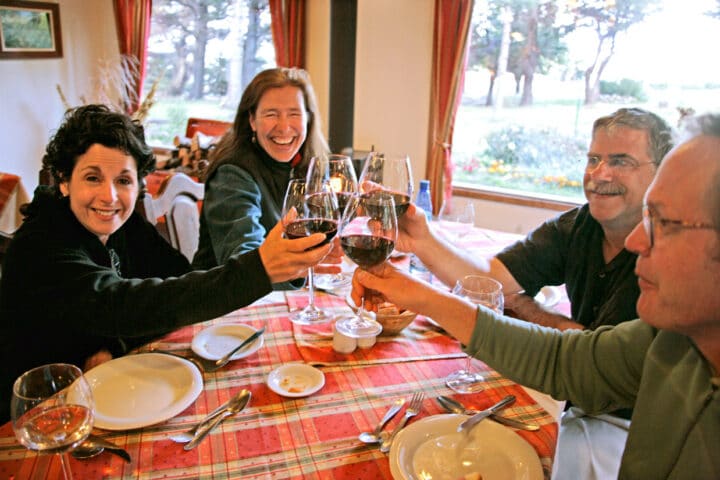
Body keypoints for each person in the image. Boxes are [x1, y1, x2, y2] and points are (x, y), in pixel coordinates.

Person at [353, 112, 720, 478]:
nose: (638, 241)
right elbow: (564, 359)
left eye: (664, 222)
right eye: (593, 159)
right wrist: (421, 252)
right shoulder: (671, 341)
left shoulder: (671, 324)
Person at [0, 104, 340, 422]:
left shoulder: (123, 222)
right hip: (39, 417)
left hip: (109, 394)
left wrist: (109, 343)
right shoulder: (40, 248)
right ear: (63, 181)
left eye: (123, 180)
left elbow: (177, 283)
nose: (109, 196)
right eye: (92, 178)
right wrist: (259, 268)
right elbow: (123, 305)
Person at [192, 67, 331, 291]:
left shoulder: (310, 167)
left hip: (283, 294)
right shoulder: (232, 173)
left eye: (294, 114)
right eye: (271, 114)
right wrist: (303, 272)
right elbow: (244, 263)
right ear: (252, 121)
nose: (284, 127)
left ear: (308, 120)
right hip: (224, 307)